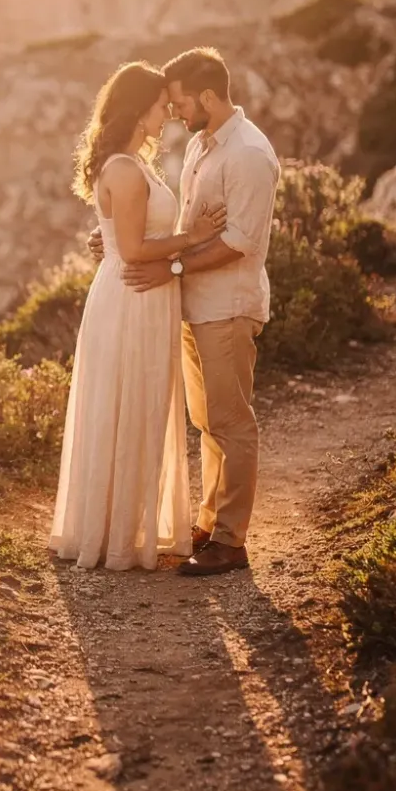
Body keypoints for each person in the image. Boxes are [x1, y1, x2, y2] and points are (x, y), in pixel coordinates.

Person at [92, 47, 280, 576]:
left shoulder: (247, 154)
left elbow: (240, 241)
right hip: (195, 307)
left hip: (228, 306)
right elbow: (183, 225)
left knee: (231, 421)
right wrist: (115, 239)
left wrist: (171, 270)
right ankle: (209, 522)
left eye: (177, 102)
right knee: (207, 422)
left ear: (206, 96)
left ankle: (230, 541)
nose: (172, 113)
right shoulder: (202, 145)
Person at [49, 61, 225, 570]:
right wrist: (191, 239)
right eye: (160, 106)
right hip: (131, 297)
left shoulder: (133, 163)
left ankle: (121, 526)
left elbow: (120, 238)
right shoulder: (125, 168)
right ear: (137, 108)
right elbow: (129, 249)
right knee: (127, 405)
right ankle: (112, 536)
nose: (168, 113)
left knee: (139, 407)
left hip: (144, 297)